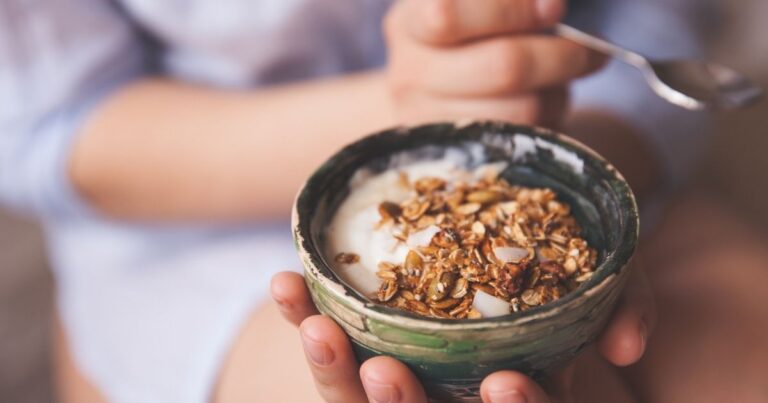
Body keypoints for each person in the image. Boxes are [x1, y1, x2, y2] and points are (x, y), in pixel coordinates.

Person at [0, 0, 731, 402]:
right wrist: (398, 104)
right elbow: (52, 122)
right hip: (188, 211)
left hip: (577, 130)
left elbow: (657, 20)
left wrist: (570, 173)